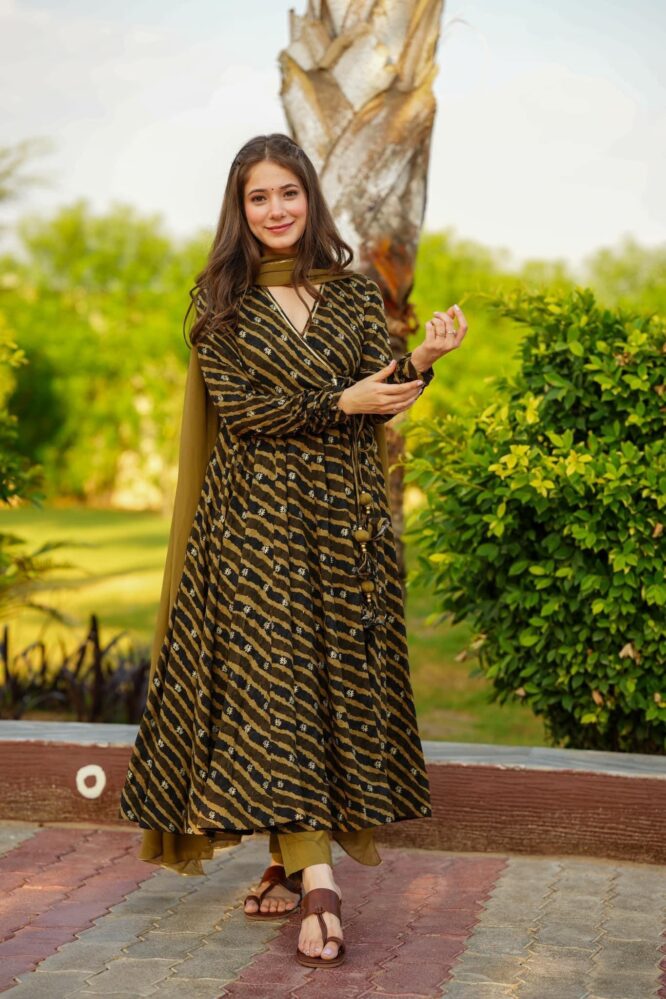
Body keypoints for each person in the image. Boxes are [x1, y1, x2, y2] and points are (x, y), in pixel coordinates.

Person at [119, 132, 468, 968]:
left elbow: (379, 396)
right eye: (258, 197)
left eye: (288, 192)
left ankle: (285, 855)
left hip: (344, 527)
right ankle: (320, 886)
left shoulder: (352, 295)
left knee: (325, 691)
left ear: (310, 197)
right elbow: (247, 411)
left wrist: (421, 359)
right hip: (254, 529)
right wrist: (340, 400)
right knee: (279, 693)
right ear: (239, 210)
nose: (275, 210)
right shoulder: (220, 302)